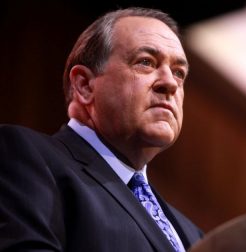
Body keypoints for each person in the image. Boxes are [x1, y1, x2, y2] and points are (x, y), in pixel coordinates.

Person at [0, 7, 203, 252]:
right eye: (146, 62)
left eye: (179, 73)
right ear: (84, 85)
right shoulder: (25, 157)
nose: (170, 83)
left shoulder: (193, 235)